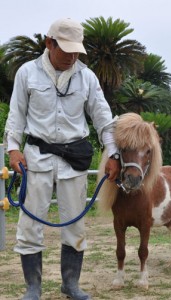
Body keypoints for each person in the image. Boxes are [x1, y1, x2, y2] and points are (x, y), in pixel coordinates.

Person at [4, 18, 120, 300]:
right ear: (49, 43)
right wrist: (13, 149)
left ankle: (71, 285)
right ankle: (33, 287)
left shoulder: (87, 77)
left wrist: (113, 153)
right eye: (66, 50)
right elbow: (16, 114)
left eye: (76, 51)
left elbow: (104, 120)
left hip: (74, 160)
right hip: (36, 159)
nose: (71, 57)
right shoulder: (27, 73)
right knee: (30, 224)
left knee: (75, 224)